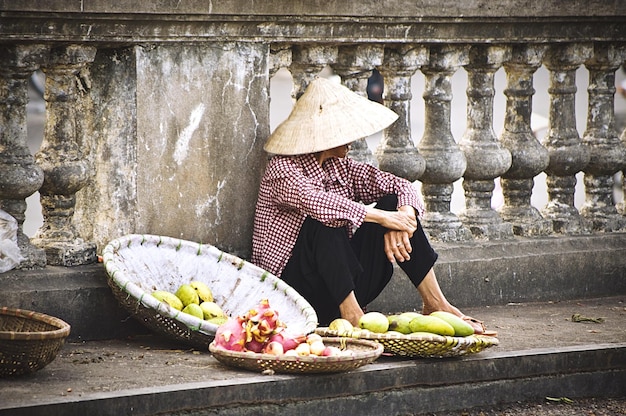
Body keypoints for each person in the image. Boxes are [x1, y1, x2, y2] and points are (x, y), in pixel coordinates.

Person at [252, 76, 493, 335]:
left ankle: (436, 303)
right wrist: (382, 218)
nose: (353, 139)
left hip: (339, 283)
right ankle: (353, 315)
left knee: (393, 203)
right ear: (325, 134)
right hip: (296, 293)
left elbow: (401, 186)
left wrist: (402, 218)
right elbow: (317, 202)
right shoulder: (281, 169)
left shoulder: (340, 167)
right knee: (325, 220)